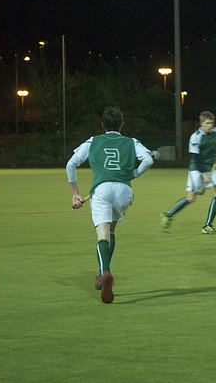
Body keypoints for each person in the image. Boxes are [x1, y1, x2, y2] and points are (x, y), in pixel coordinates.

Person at [66, 107, 154, 303]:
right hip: (124, 190)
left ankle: (104, 272)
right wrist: (135, 174)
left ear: (103, 125)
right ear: (121, 125)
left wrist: (75, 194)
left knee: (102, 234)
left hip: (101, 189)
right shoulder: (131, 142)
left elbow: (70, 164)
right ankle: (102, 272)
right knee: (111, 232)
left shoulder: (93, 141)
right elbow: (148, 159)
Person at [160, 111, 216, 234]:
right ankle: (168, 215)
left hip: (210, 167)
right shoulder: (196, 136)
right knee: (190, 198)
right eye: (207, 123)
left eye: (211, 123)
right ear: (201, 123)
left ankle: (207, 226)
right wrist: (204, 175)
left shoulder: (215, 132)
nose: (210, 126)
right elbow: (195, 158)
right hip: (197, 169)